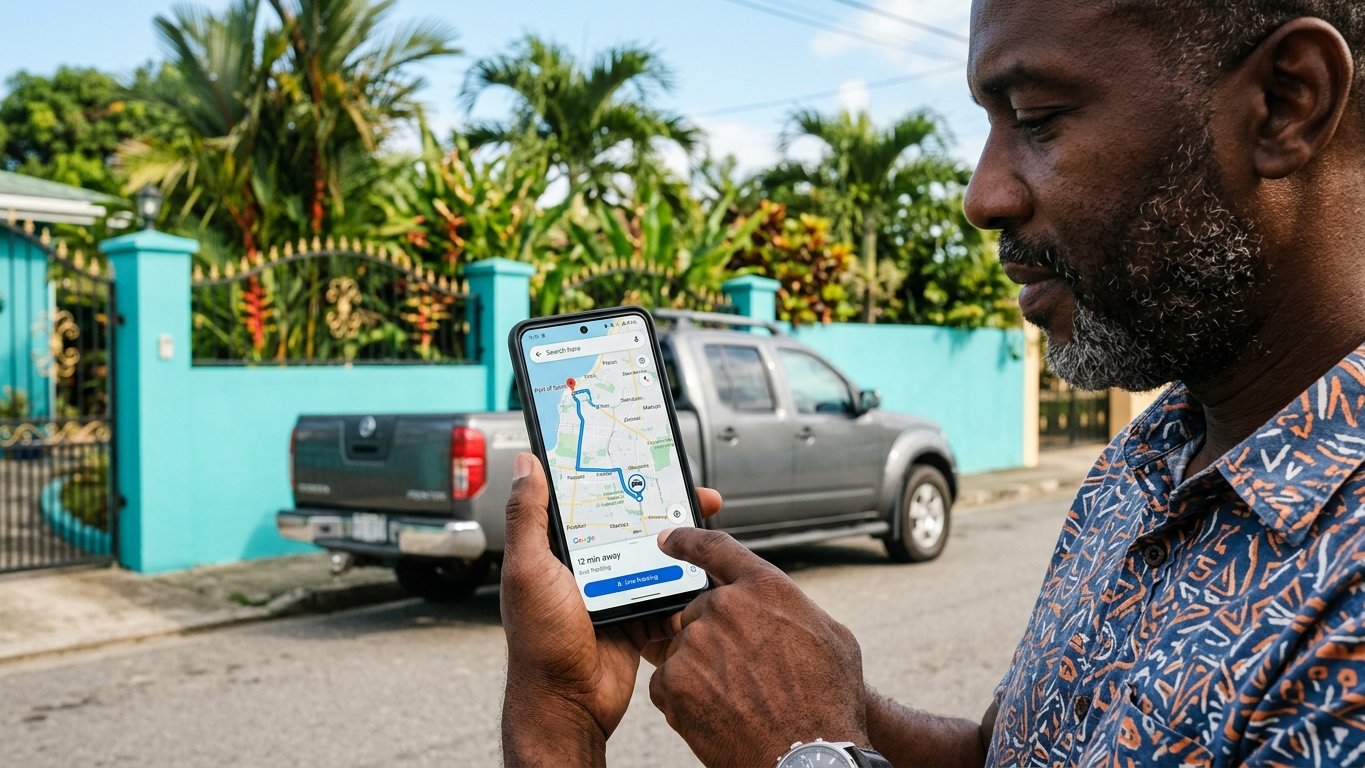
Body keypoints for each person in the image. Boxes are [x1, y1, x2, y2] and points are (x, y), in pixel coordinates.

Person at [501, 0, 1365, 765]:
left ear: (1286, 102)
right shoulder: (1153, 451)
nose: (980, 195)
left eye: (1037, 117)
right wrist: (794, 698)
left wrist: (806, 752)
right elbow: (1010, 753)